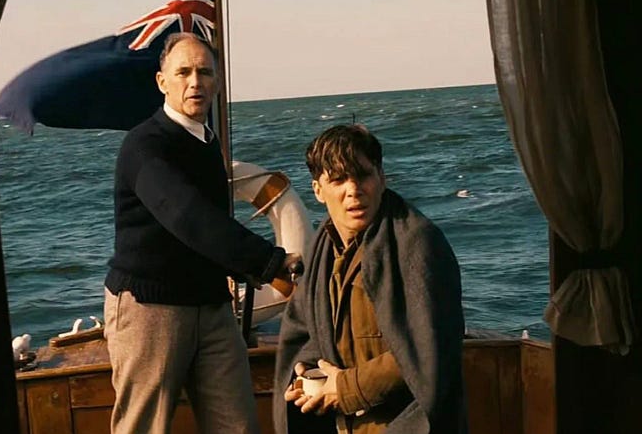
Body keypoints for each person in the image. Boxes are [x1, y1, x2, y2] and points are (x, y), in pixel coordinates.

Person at [103, 32, 300, 434]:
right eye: (184, 72)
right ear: (162, 82)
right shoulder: (144, 146)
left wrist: (243, 268)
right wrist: (270, 262)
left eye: (205, 72)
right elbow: (187, 216)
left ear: (217, 82)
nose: (196, 82)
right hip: (151, 308)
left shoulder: (207, 143)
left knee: (238, 426)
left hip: (211, 307)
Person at [274, 124, 467, 434]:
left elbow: (430, 348)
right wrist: (304, 376)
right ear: (318, 190)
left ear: (381, 178)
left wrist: (345, 388)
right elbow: (304, 332)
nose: (353, 190)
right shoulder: (322, 248)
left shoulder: (417, 243)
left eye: (363, 175)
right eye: (338, 179)